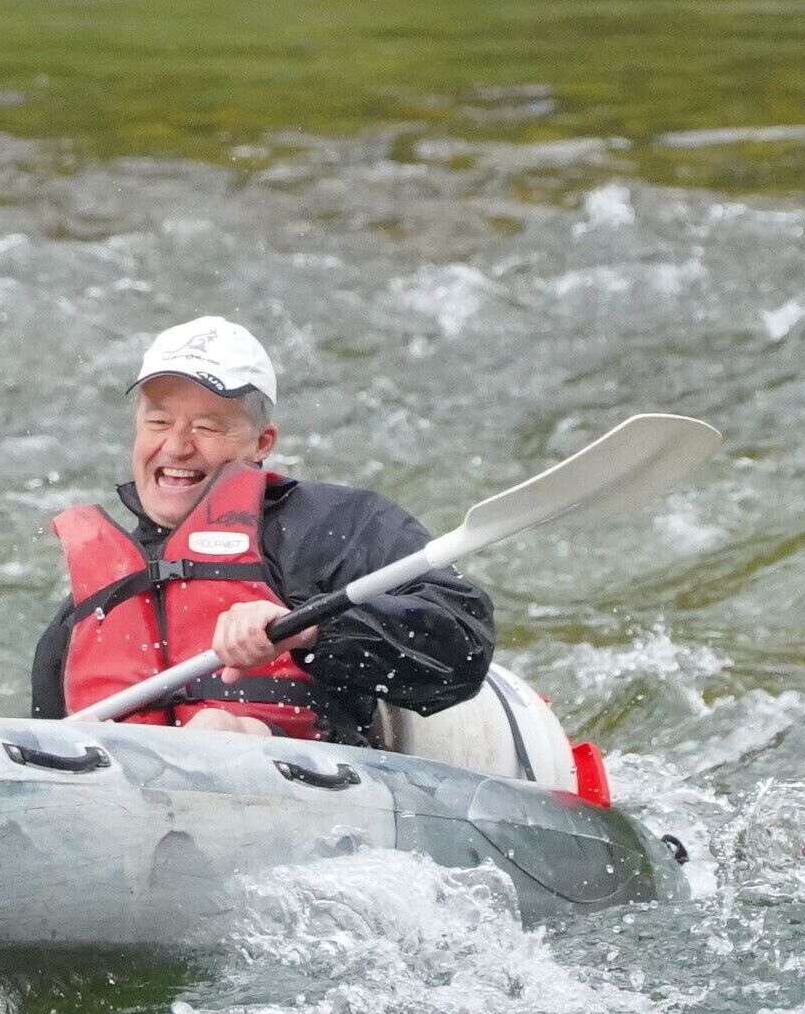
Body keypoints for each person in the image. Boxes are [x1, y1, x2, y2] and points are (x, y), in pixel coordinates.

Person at [29, 316, 493, 740]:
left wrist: (312, 630)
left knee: (217, 730)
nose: (175, 446)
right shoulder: (89, 608)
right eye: (158, 421)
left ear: (262, 442)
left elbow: (463, 648)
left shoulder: (330, 528)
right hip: (136, 808)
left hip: (303, 793)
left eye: (207, 427)